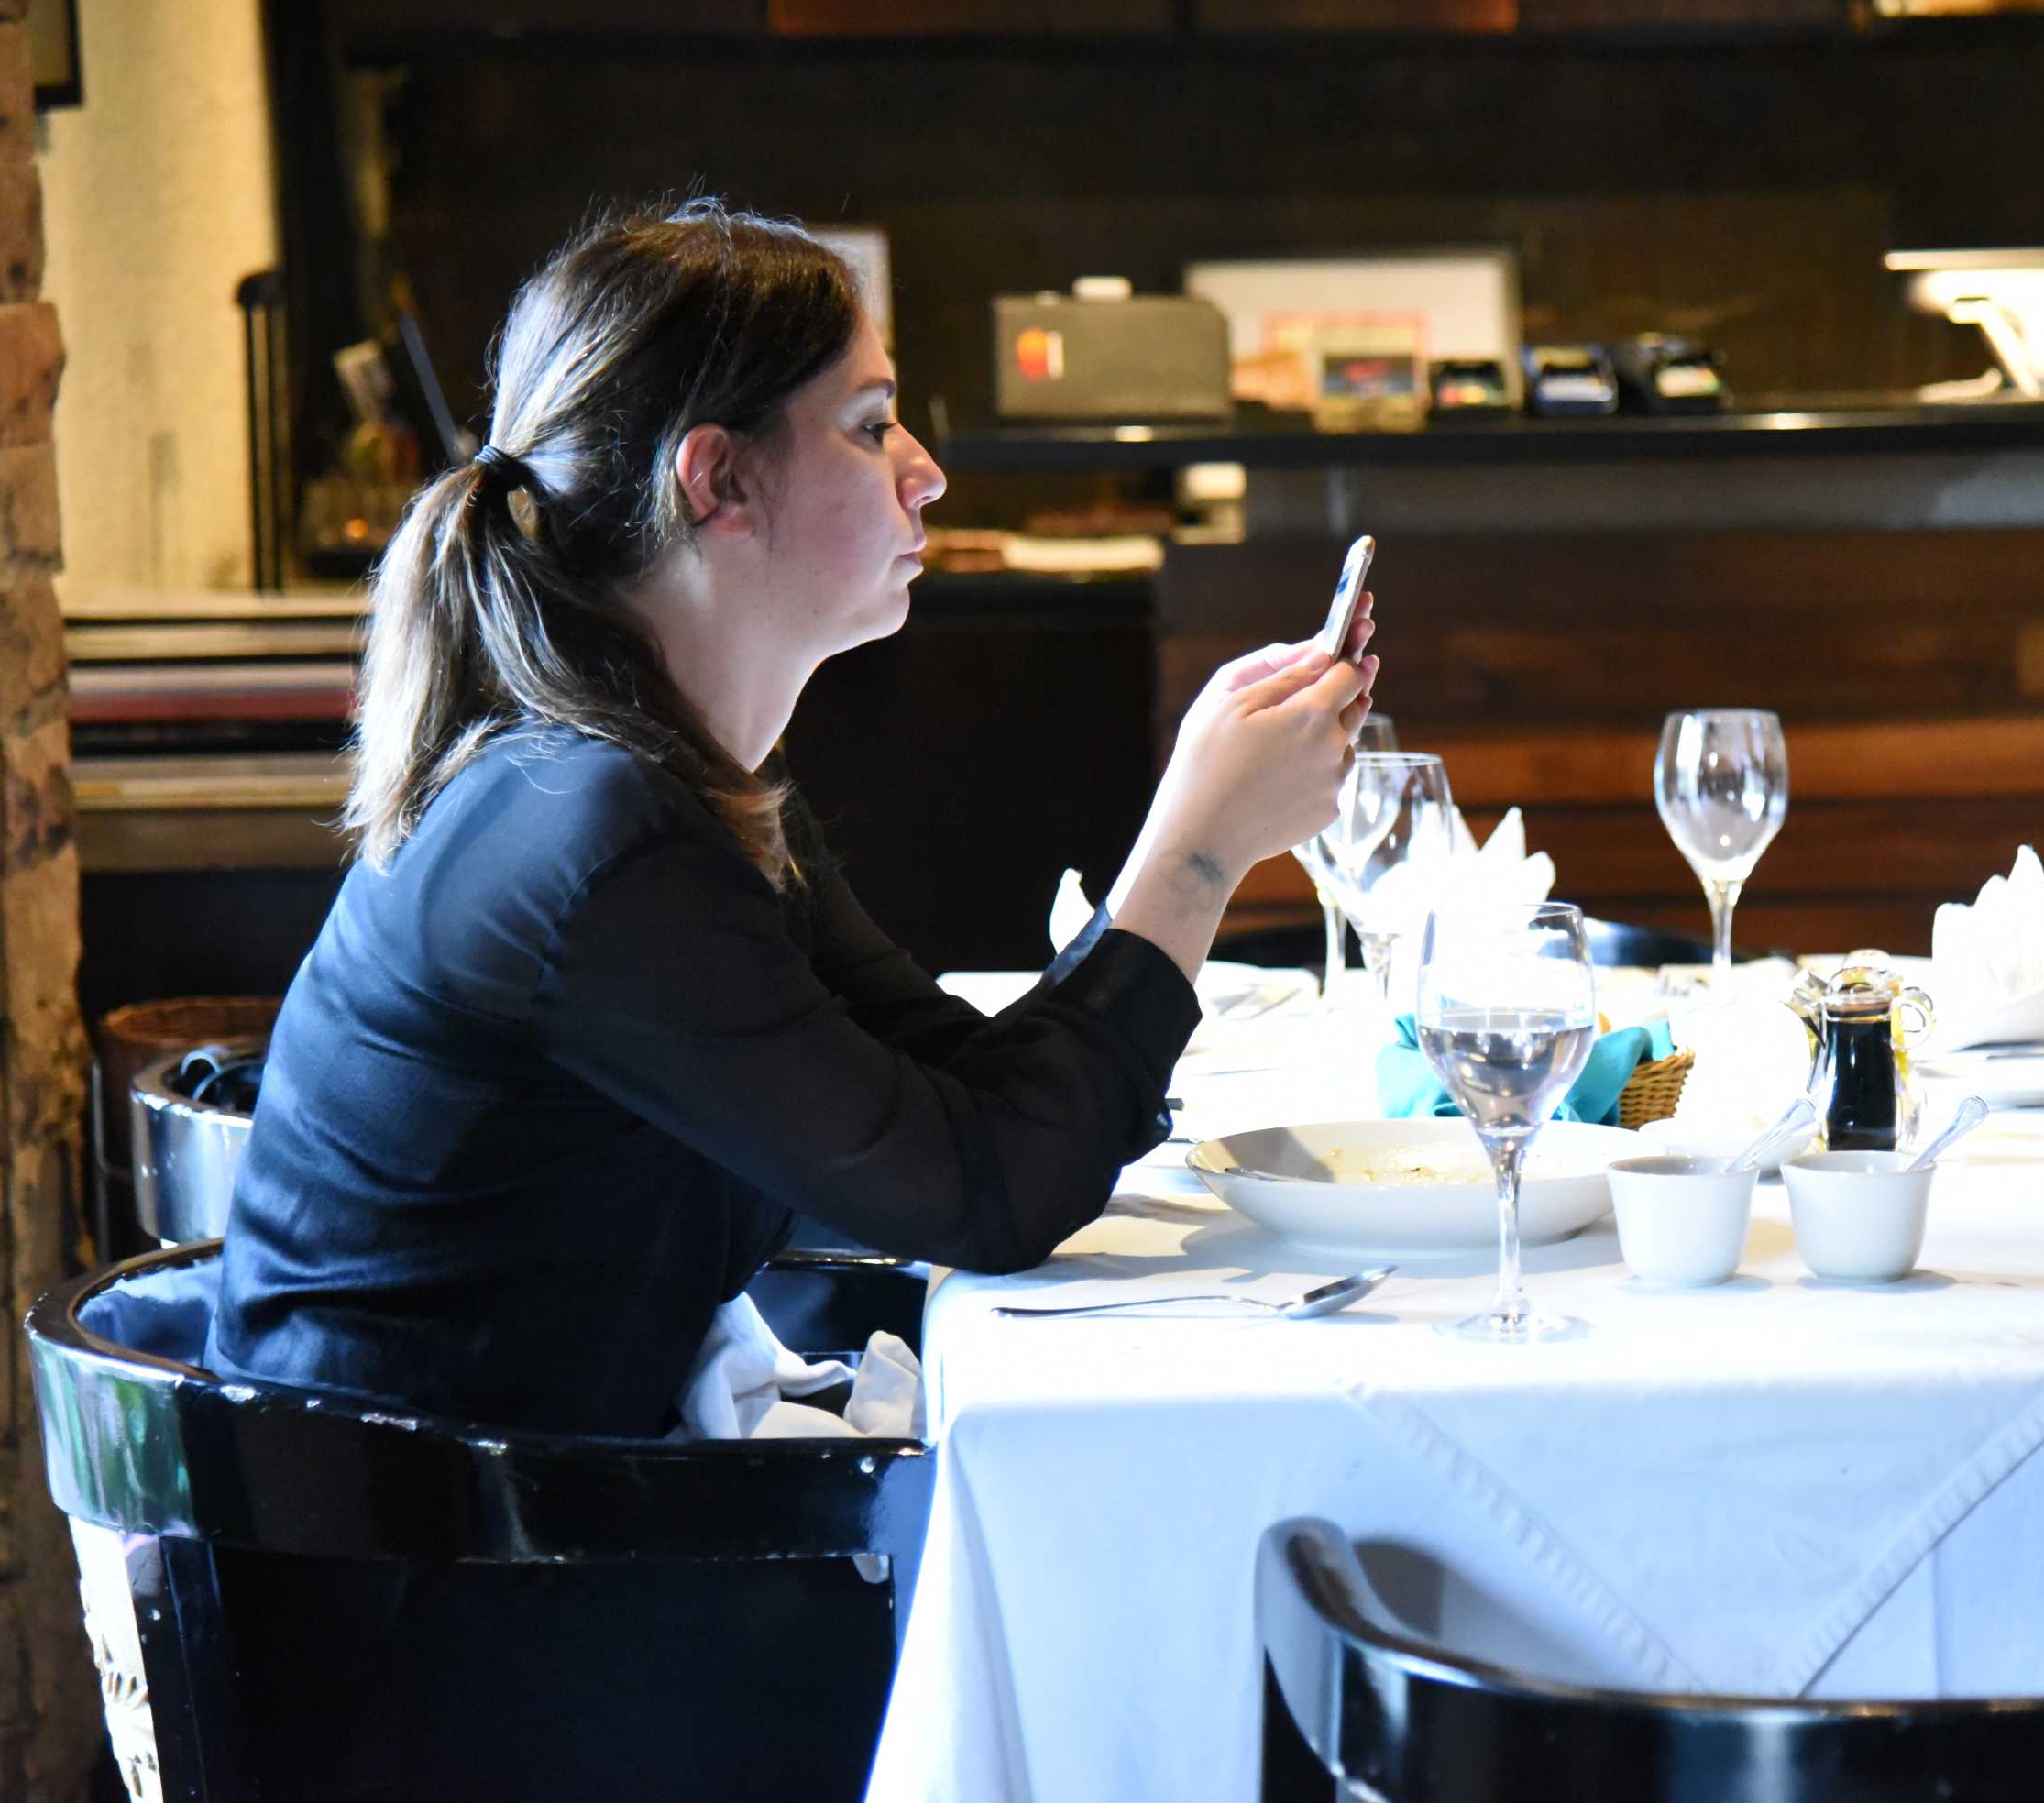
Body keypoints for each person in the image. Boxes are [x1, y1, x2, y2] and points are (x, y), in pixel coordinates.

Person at [207, 199, 1378, 1439]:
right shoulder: (602, 834)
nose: (927, 471)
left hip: (518, 1508)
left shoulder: (678, 784)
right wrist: (1197, 853)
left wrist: (1197, 833)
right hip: (437, 1577)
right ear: (717, 480)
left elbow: (962, 1096)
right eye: (871, 427)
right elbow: (988, 1196)